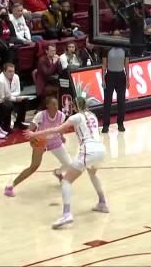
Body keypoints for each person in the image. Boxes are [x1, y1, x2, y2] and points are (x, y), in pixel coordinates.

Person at [25, 97, 108, 228]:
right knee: (93, 174)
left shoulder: (76, 117)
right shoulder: (92, 115)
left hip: (89, 150)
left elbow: (56, 130)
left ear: (75, 106)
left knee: (66, 181)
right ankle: (102, 202)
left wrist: (35, 134)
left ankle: (67, 214)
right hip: (101, 149)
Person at [4, 97, 72, 197]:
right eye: (54, 105)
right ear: (48, 106)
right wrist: (32, 139)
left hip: (55, 141)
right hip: (41, 142)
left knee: (69, 164)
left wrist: (62, 136)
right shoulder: (41, 115)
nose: (56, 107)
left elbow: (59, 127)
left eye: (57, 104)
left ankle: (58, 172)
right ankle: (10, 186)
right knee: (34, 166)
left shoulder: (61, 115)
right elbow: (29, 131)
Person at [101, 31, 129, 133]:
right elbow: (104, 65)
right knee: (107, 102)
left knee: (121, 101)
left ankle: (120, 124)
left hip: (121, 76)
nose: (117, 37)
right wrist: (103, 79)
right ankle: (105, 125)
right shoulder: (106, 49)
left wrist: (128, 79)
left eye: (118, 36)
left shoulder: (125, 48)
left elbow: (126, 64)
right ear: (112, 37)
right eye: (115, 36)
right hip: (110, 76)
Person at [0, 63, 29, 130]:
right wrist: (14, 99)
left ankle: (19, 123)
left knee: (24, 100)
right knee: (9, 104)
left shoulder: (16, 77)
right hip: (1, 101)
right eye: (10, 71)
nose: (12, 73)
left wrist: (10, 96)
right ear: (4, 71)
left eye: (13, 71)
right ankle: (6, 126)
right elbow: (2, 97)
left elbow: (18, 91)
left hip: (10, 98)